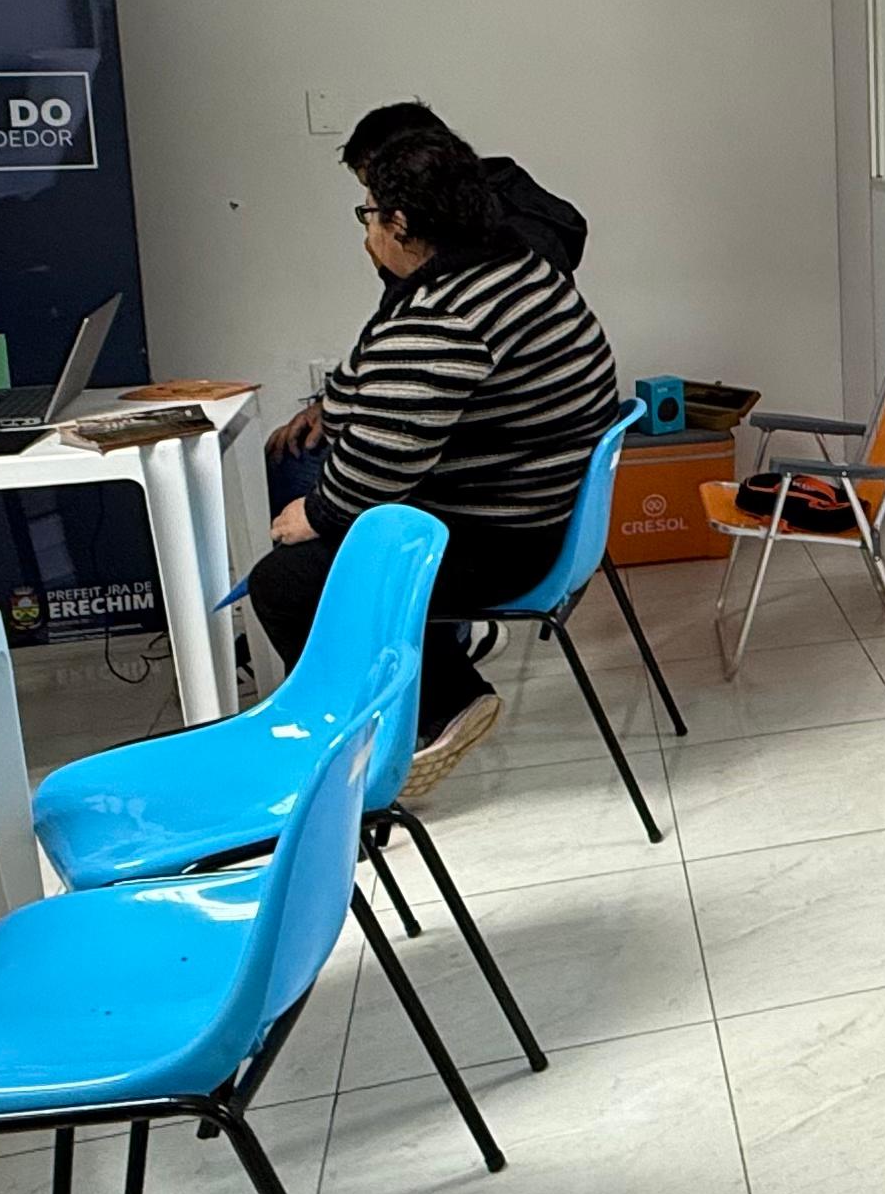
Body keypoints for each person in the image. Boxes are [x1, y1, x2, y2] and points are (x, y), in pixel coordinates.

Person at [248, 125, 622, 759]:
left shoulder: (443, 316)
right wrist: (334, 408)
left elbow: (381, 468)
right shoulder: (514, 264)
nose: (365, 232)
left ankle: (426, 713)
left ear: (399, 224)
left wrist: (317, 515)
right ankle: (396, 687)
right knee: (300, 466)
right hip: (540, 509)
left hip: (506, 541)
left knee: (285, 583)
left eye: (368, 214)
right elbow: (379, 368)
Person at [268, 99, 588, 475]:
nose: (374, 217)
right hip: (486, 429)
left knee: (289, 470)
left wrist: (394, 276)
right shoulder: (482, 230)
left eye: (377, 196)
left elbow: (427, 357)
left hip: (496, 452)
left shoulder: (500, 248)